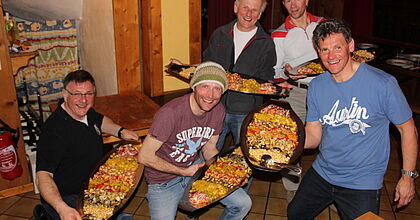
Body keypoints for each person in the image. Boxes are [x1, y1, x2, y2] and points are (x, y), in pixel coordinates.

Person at [287, 19, 418, 220]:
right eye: (324, 50)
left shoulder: (383, 84)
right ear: (317, 52)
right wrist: (289, 143)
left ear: (351, 46)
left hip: (362, 182)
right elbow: (313, 134)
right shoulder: (317, 86)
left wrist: (407, 176)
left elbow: (408, 129)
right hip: (324, 172)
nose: (331, 56)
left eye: (337, 47)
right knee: (295, 214)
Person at [138, 62, 252, 220]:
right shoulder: (170, 114)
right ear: (194, 87)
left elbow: (209, 147)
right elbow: (144, 156)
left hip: (196, 169)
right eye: (205, 86)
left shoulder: (218, 110)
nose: (210, 95)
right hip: (163, 180)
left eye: (217, 88)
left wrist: (229, 174)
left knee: (243, 203)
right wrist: (184, 171)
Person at [171, 0, 277, 152]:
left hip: (245, 111)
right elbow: (207, 66)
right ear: (235, 8)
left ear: (260, 14)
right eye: (245, 8)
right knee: (205, 152)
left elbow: (266, 75)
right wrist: (183, 67)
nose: (249, 14)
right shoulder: (220, 34)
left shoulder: (266, 43)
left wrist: (272, 85)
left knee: (245, 155)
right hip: (214, 106)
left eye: (254, 10)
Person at [35, 70, 139, 220]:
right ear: (65, 94)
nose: (83, 100)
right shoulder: (54, 131)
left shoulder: (86, 112)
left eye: (88, 94)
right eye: (77, 94)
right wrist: (61, 208)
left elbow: (101, 121)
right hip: (67, 196)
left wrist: (121, 131)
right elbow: (43, 177)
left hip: (93, 186)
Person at [271, 0, 325, 202]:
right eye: (287, 0)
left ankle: (333, 188)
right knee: (292, 140)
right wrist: (285, 74)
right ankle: (293, 187)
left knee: (331, 138)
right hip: (297, 92)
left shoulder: (322, 24)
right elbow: (274, 71)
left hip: (326, 89)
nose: (293, 4)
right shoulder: (279, 33)